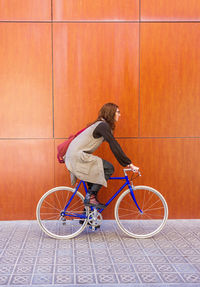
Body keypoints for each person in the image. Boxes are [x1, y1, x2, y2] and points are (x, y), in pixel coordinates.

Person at [64, 103, 139, 209]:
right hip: (78, 156)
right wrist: (129, 164)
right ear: (111, 112)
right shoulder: (102, 125)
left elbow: (112, 143)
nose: (120, 114)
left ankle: (88, 216)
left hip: (76, 156)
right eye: (118, 112)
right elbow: (114, 144)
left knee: (93, 185)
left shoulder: (101, 125)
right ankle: (90, 197)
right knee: (109, 168)